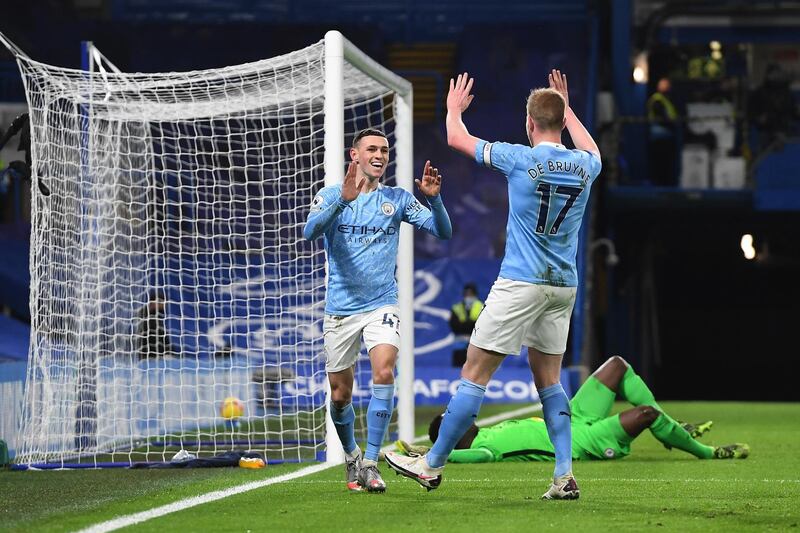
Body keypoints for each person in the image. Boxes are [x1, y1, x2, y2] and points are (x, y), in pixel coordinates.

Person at [386, 70, 601, 500]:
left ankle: (430, 465)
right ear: (562, 121)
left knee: (474, 373)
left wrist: (452, 110)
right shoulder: (587, 165)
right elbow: (591, 144)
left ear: (529, 123)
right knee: (550, 382)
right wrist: (566, 105)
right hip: (563, 286)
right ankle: (563, 475)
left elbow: (456, 138)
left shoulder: (518, 157)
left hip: (521, 281)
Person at [303, 128, 452, 493]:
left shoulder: (397, 199)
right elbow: (309, 232)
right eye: (371, 149)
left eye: (384, 149)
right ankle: (352, 455)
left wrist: (434, 201)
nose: (379, 154)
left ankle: (370, 461)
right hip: (341, 309)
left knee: (385, 371)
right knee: (340, 394)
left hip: (381, 303)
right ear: (355, 155)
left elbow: (442, 232)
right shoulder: (330, 196)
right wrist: (342, 200)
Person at [395, 356, 749, 464]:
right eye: (454, 422)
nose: (463, 417)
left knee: (616, 366)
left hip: (572, 418)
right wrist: (425, 456)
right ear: (452, 439)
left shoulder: (486, 432)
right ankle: (707, 452)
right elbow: (456, 460)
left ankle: (675, 426)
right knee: (646, 416)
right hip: (585, 441)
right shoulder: (485, 449)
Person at [448, 282, 484, 366]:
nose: (468, 297)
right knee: (457, 374)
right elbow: (454, 326)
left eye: (471, 294)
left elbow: (482, 326)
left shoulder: (481, 307)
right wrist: (471, 324)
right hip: (459, 348)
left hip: (477, 348)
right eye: (466, 294)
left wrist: (463, 324)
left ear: (475, 295)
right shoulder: (457, 308)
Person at [137, 291, 174, 359]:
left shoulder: (157, 313)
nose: (163, 304)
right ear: (152, 302)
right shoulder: (144, 314)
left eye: (163, 302)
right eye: (160, 301)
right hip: (146, 347)